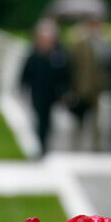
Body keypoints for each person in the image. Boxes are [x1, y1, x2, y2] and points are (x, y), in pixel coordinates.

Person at [19, 18, 69, 156]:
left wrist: (64, 91)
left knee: (48, 120)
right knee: (39, 119)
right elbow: (25, 75)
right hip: (37, 93)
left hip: (52, 93)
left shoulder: (58, 55)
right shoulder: (34, 55)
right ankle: (41, 144)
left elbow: (64, 75)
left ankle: (45, 144)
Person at [66, 18, 111, 151]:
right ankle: (76, 145)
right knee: (79, 118)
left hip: (97, 88)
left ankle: (97, 146)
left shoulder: (104, 44)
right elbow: (73, 65)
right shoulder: (79, 44)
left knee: (97, 119)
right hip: (81, 87)